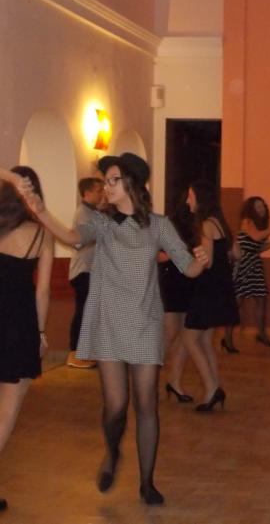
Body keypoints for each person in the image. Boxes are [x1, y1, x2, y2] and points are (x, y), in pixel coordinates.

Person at [16, 153, 208, 506]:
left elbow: (188, 267)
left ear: (131, 182)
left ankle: (147, 482)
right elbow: (71, 235)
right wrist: (40, 210)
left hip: (145, 322)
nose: (106, 186)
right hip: (108, 323)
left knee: (147, 403)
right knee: (116, 406)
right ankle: (113, 452)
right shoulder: (102, 223)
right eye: (105, 181)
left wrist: (202, 261)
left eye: (113, 180)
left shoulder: (160, 225)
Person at [0, 166, 53, 514]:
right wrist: (42, 333)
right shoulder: (41, 234)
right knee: (6, 410)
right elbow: (43, 291)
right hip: (18, 325)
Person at [184, 180, 240, 412]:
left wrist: (193, 256)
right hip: (221, 287)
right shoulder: (220, 223)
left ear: (200, 198)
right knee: (206, 340)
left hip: (208, 289)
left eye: (190, 195)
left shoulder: (206, 225)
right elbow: (237, 254)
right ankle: (214, 387)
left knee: (190, 338)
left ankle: (211, 389)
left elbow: (207, 262)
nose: (187, 200)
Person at [222, 196, 270, 352]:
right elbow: (256, 237)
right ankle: (227, 339)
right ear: (251, 209)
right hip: (243, 264)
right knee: (237, 302)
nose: (261, 209)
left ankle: (261, 334)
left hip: (255, 264)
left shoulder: (260, 226)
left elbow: (259, 247)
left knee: (261, 299)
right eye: (258, 207)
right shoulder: (247, 221)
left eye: (263, 206)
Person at [158, 192, 195, 402]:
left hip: (193, 281)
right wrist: (176, 254)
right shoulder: (169, 223)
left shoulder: (201, 224)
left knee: (186, 334)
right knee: (170, 331)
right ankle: (147, 376)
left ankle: (175, 382)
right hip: (172, 280)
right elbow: (156, 255)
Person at [66, 177, 104, 369]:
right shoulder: (83, 213)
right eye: (98, 190)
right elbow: (80, 241)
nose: (102, 194)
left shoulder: (94, 213)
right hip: (83, 270)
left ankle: (85, 352)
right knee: (83, 312)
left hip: (92, 270)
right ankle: (74, 353)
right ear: (87, 193)